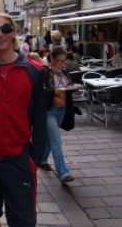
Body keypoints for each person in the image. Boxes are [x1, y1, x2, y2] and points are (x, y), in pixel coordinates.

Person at [0, 13, 47, 227]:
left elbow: (40, 119)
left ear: (13, 32)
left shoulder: (34, 71)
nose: (0, 34)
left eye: (5, 29)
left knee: (22, 221)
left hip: (18, 159)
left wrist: (35, 158)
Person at [40, 46, 82, 183]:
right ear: (51, 58)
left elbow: (68, 84)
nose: (61, 64)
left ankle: (42, 159)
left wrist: (73, 87)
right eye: (59, 61)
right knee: (56, 140)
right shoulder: (44, 71)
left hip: (62, 108)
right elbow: (40, 91)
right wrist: (55, 92)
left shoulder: (65, 70)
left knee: (50, 136)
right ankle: (63, 173)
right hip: (49, 110)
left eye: (63, 61)